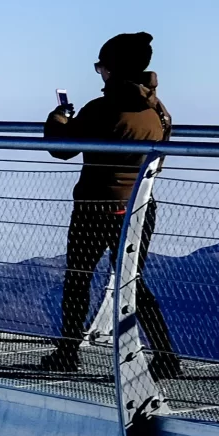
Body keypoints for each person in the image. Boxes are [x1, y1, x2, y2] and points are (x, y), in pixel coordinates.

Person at [41, 31, 181, 378]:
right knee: (132, 280)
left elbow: (62, 149)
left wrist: (58, 119)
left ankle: (67, 352)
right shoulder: (159, 111)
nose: (99, 72)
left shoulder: (101, 109)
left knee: (78, 278)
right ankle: (165, 355)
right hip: (140, 207)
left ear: (113, 68)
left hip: (95, 207)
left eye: (101, 65)